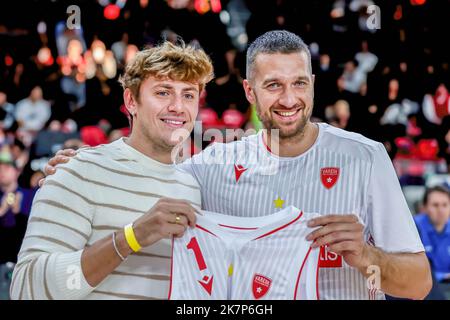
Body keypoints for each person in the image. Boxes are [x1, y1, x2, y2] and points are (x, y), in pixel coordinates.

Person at [43, 30, 432, 300]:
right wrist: (86, 166)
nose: (289, 98)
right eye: (273, 85)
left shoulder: (365, 157)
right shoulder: (211, 167)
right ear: (249, 90)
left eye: (299, 83)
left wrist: (368, 258)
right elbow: (144, 172)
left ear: (313, 83)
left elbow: (419, 285)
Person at [10, 41, 214, 300]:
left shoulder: (197, 187)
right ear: (131, 100)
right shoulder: (78, 170)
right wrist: (130, 238)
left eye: (188, 95)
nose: (178, 106)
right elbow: (27, 290)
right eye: (163, 92)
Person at [414, 186, 450, 283]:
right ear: (424, 208)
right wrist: (441, 276)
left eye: (445, 205)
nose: (441, 210)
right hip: (422, 285)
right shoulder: (414, 227)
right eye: (435, 205)